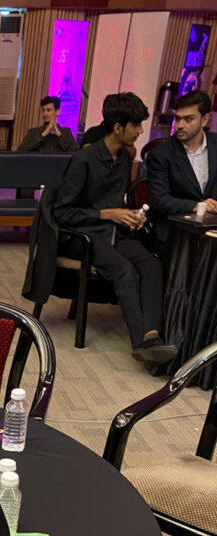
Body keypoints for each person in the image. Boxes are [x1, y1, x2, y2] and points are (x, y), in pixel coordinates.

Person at [54, 92, 174, 364]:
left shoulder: (124, 159)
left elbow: (115, 204)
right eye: (136, 125)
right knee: (124, 270)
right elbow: (62, 212)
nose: (140, 131)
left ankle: (152, 334)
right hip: (84, 236)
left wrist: (130, 216)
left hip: (113, 233)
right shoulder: (83, 160)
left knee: (152, 264)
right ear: (118, 127)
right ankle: (142, 343)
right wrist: (108, 214)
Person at [146, 90, 217, 246]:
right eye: (177, 118)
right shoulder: (161, 154)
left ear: (204, 120)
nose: (180, 125)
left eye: (188, 119)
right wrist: (197, 206)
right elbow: (159, 200)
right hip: (175, 232)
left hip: (212, 230)